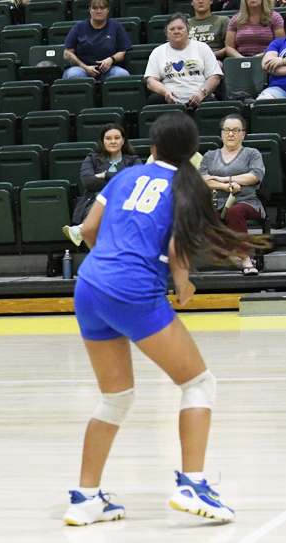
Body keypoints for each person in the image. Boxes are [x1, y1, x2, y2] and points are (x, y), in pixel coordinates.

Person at [62, 111, 267, 526]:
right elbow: (177, 247)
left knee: (115, 397)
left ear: (152, 146)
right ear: (193, 152)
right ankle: (192, 485)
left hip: (90, 285)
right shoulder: (186, 186)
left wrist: (110, 265)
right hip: (133, 289)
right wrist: (183, 285)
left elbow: (88, 229)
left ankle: (85, 498)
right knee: (199, 383)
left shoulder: (125, 175)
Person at [198, 114, 265, 275]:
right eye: (227, 130)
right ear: (221, 133)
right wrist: (226, 186)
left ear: (243, 134)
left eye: (236, 130)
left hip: (247, 201)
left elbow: (254, 176)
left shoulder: (252, 153)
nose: (230, 134)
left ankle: (245, 258)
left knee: (235, 211)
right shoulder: (210, 155)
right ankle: (230, 257)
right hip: (217, 202)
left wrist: (223, 179)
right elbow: (203, 179)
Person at [63, 124, 142, 246]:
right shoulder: (92, 158)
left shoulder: (133, 160)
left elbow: (136, 183)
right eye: (108, 138)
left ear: (123, 141)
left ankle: (82, 229)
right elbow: (88, 182)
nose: (113, 141)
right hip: (94, 202)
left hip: (125, 202)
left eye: (117, 138)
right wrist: (120, 181)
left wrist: (105, 175)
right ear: (103, 141)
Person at [144, 13, 224, 107]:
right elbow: (151, 81)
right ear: (166, 33)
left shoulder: (202, 48)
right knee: (154, 100)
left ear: (188, 31)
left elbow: (215, 77)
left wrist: (201, 93)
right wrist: (165, 92)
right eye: (172, 29)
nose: (176, 32)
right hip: (169, 100)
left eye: (180, 28)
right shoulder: (157, 52)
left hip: (200, 97)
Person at [63, 0, 132, 81]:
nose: (99, 11)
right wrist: (86, 67)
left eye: (102, 8)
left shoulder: (116, 27)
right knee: (74, 74)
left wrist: (111, 59)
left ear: (108, 10)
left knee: (122, 74)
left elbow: (123, 51)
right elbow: (67, 53)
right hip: (82, 69)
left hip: (109, 69)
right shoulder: (79, 27)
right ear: (90, 10)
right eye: (95, 8)